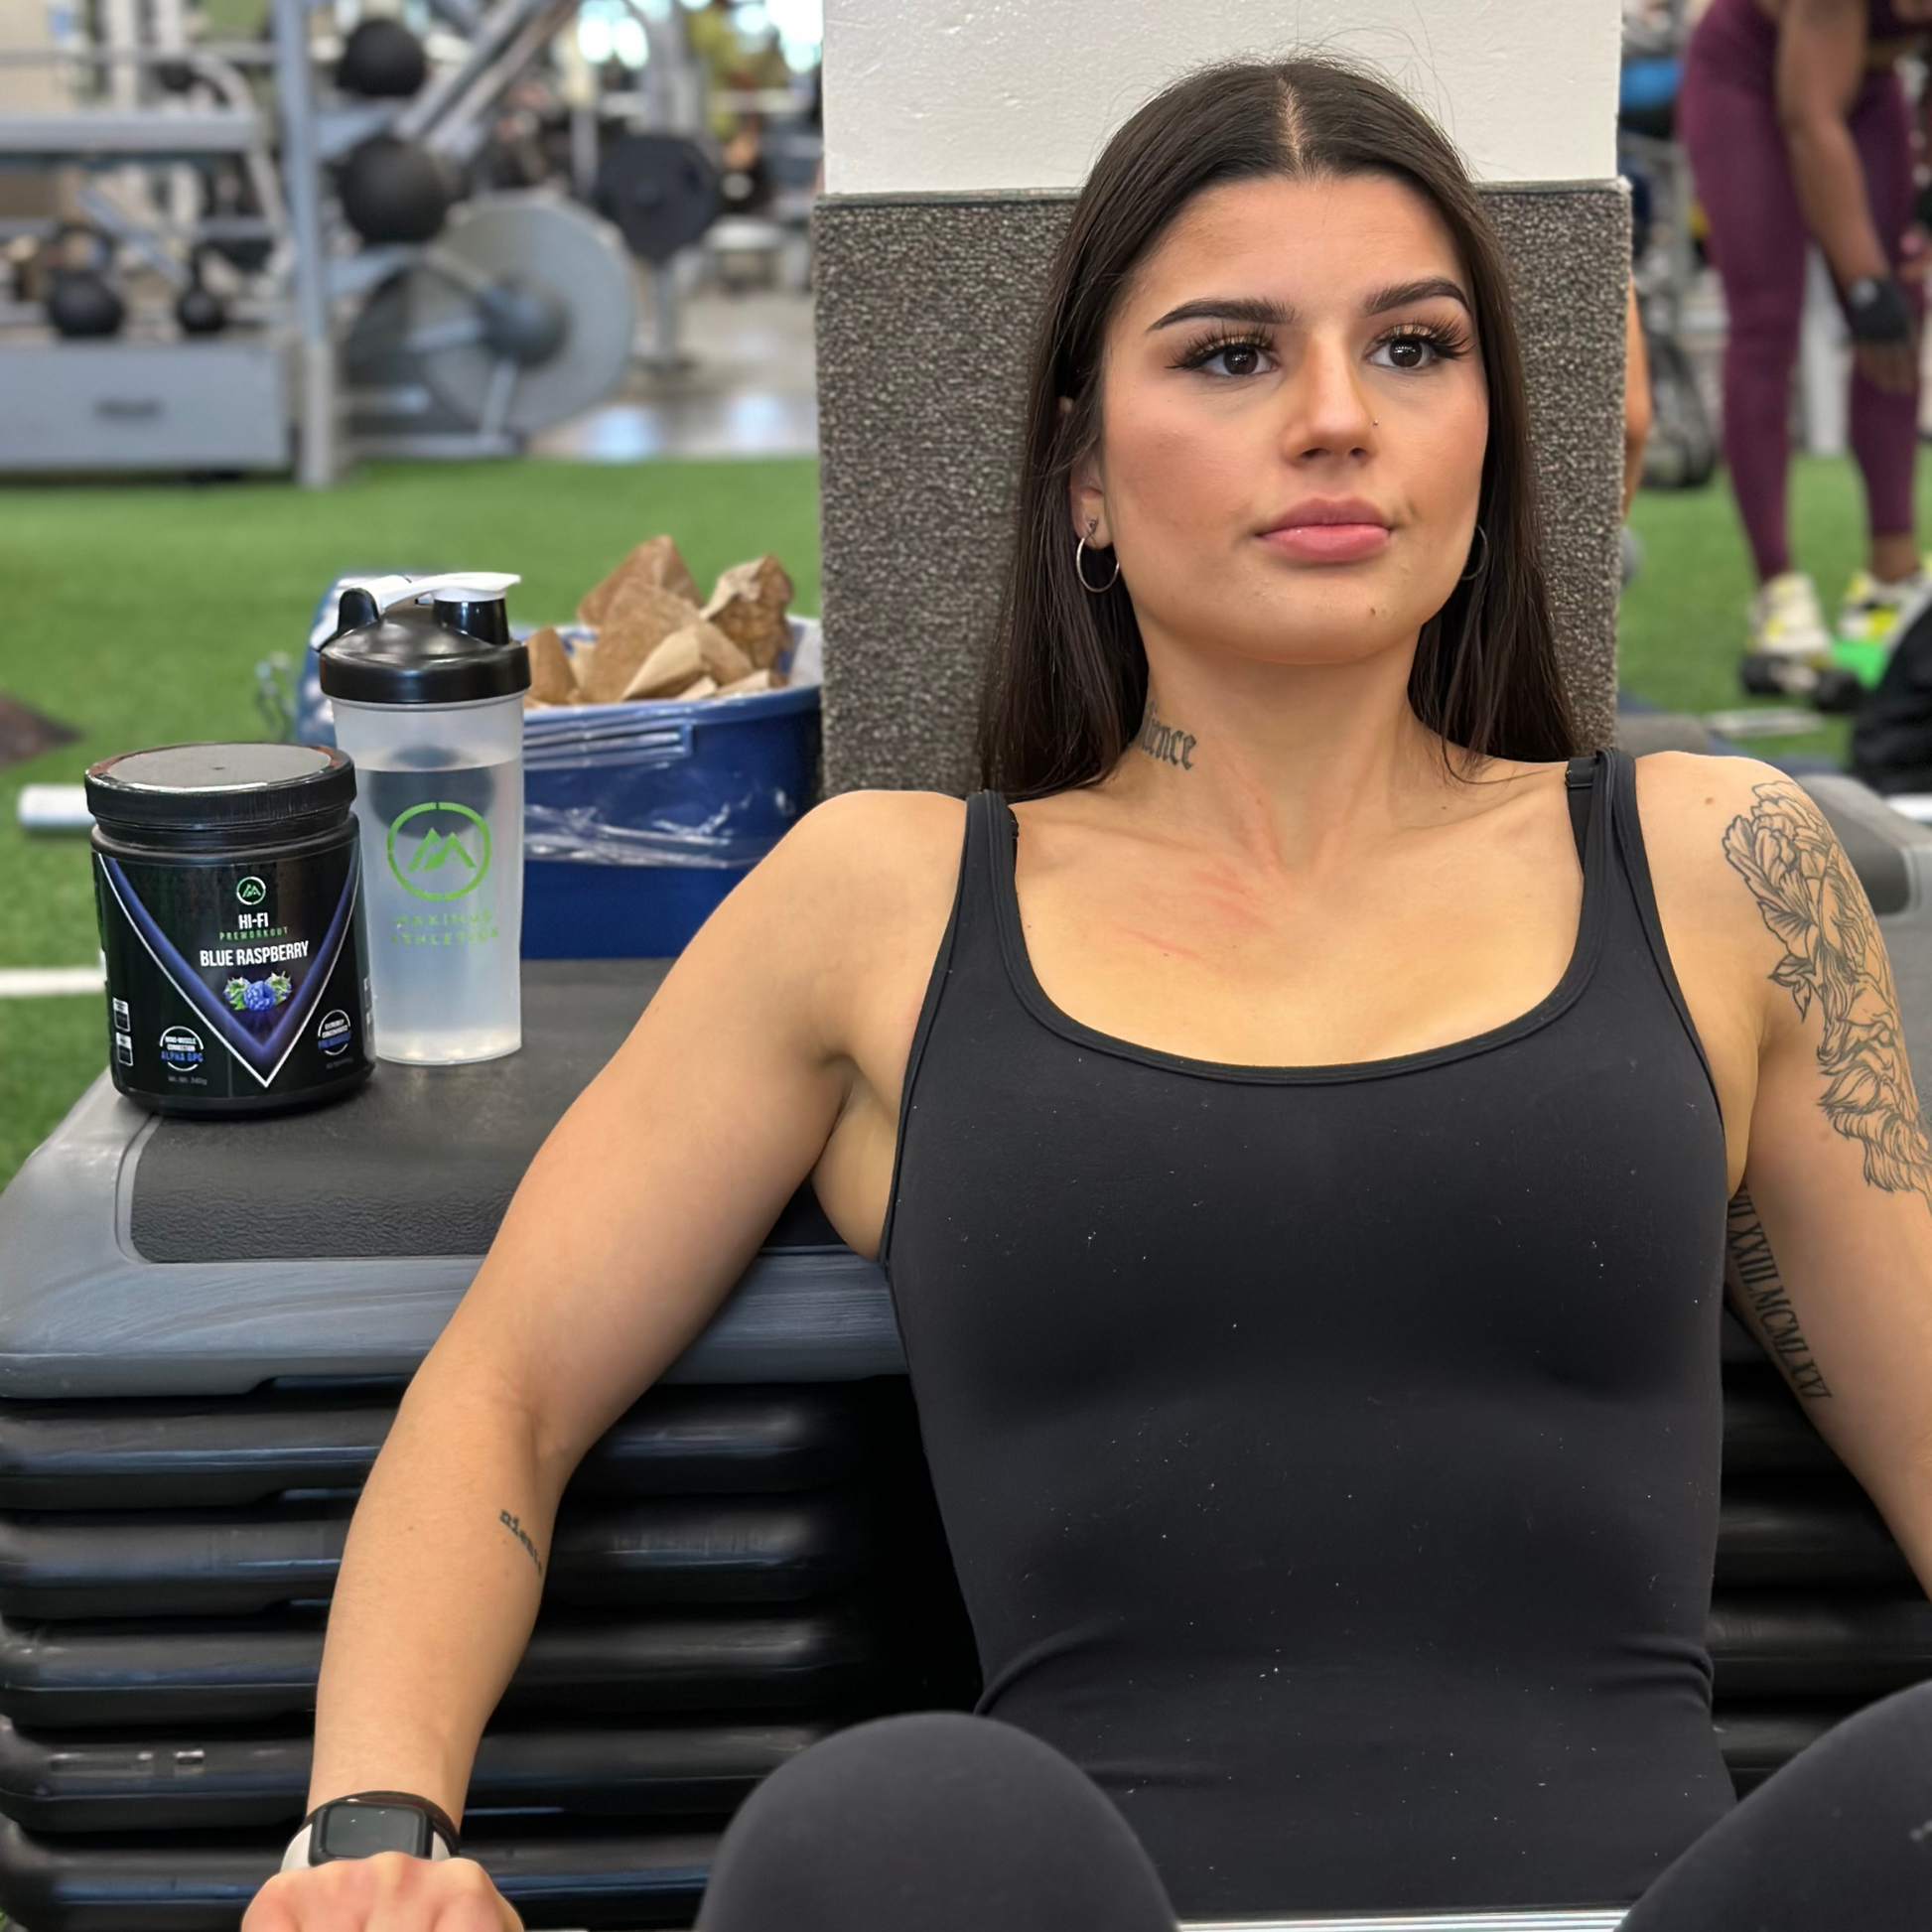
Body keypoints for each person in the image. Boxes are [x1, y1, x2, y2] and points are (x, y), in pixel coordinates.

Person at [244, 58, 1932, 1932]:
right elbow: (506, 1391)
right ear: (1084, 482)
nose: (1334, 421)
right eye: (1228, 357)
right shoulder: (885, 902)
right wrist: (371, 1837)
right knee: (888, 1819)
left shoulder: (1721, 868)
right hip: (1076, 1898)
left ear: (1490, 434)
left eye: (1413, 349)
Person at [1678, 0, 1932, 670]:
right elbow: (1809, 118)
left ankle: (1890, 584)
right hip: (1749, 80)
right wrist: (1864, 281)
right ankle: (1778, 595)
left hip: (1869, 91)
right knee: (1767, 321)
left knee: (1900, 313)